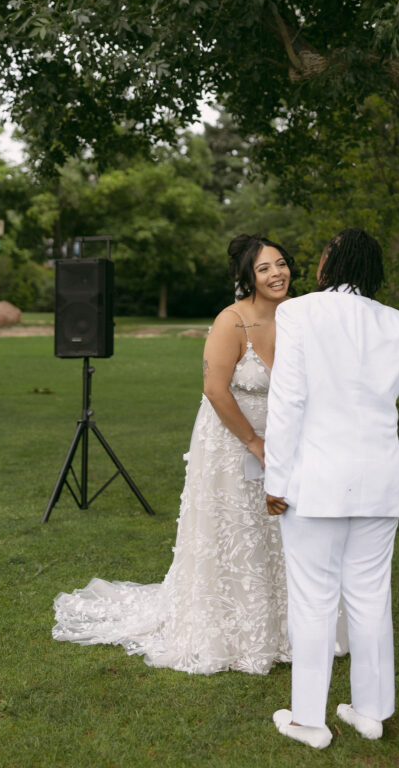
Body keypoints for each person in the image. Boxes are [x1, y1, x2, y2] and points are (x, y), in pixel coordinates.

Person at [52, 233, 294, 674]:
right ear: (247, 277)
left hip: (282, 437)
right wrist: (254, 443)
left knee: (275, 530)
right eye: (264, 268)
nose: (277, 273)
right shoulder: (231, 321)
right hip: (229, 438)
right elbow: (215, 390)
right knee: (236, 527)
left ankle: (283, 626)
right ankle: (227, 629)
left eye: (280, 264)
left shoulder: (299, 317)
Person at [264, 228, 399, 749]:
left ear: (329, 262)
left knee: (314, 602)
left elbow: (288, 402)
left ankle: (308, 720)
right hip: (382, 484)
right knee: (369, 598)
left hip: (314, 484)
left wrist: (276, 479)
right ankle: (371, 711)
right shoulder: (398, 323)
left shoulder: (298, 313)